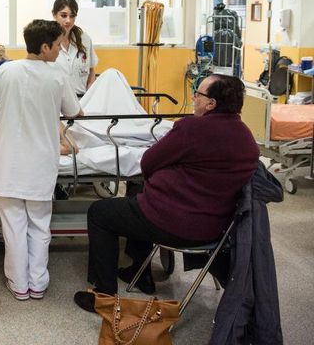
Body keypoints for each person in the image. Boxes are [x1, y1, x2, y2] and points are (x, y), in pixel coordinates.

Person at [73, 74, 260, 312]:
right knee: (139, 196)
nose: (194, 98)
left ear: (211, 103)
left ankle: (104, 296)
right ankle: (138, 273)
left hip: (173, 222)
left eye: (198, 94)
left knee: (100, 212)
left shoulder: (192, 128)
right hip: (215, 230)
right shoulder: (247, 138)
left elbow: (148, 162)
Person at [0, 19, 82, 301]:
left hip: (10, 164)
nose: (61, 51)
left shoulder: (6, 71)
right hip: (40, 164)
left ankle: (19, 285)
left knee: (14, 227)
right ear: (44, 47)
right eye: (58, 46)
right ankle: (38, 284)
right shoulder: (57, 76)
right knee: (40, 225)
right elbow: (74, 112)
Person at [52, 0, 98, 95]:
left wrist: (90, 97)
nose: (68, 20)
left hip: (82, 100)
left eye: (72, 16)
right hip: (57, 104)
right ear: (54, 15)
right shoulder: (47, 42)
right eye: (63, 15)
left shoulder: (84, 39)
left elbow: (91, 72)